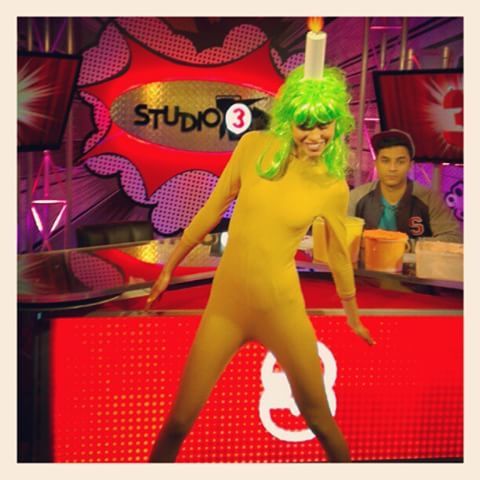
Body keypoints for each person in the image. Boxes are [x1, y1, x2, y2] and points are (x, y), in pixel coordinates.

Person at [145, 65, 375, 463]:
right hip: (226, 307)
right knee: (178, 422)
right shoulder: (253, 147)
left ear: (338, 123)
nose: (316, 135)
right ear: (289, 121)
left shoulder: (332, 186)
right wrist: (170, 266)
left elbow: (339, 253)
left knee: (321, 422)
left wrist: (352, 313)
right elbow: (211, 210)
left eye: (324, 125)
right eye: (305, 124)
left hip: (281, 310)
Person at [348, 129, 462, 243]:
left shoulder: (430, 200)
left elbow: (453, 238)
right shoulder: (356, 197)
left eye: (400, 161)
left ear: (410, 165)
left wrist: (409, 245)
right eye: (385, 161)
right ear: (376, 164)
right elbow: (341, 236)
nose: (392, 168)